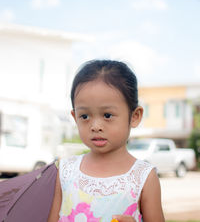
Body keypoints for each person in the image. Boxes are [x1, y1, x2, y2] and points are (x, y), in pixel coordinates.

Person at [47, 59, 165, 222]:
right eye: (85, 116)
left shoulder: (144, 177)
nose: (95, 126)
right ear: (75, 117)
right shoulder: (66, 171)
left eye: (107, 115)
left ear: (135, 116)